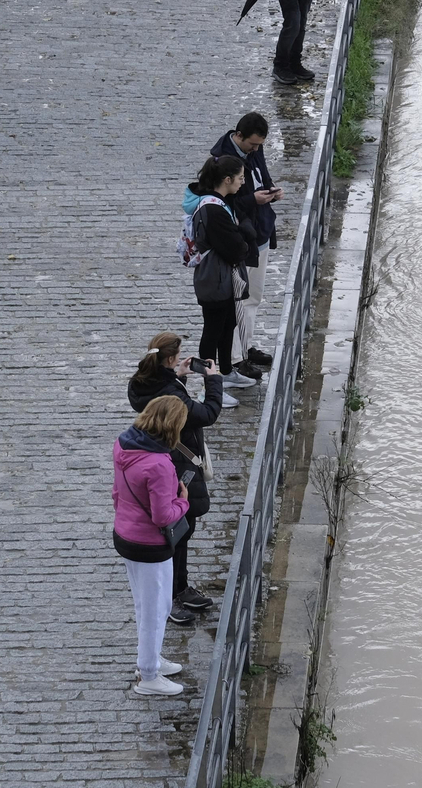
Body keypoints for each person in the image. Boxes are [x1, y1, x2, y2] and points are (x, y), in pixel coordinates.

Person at [129, 332, 224, 626]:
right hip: (177, 466)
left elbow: (165, 392)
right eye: (178, 356)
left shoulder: (142, 383)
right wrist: (213, 379)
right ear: (170, 358)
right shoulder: (171, 394)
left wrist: (177, 376)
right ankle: (170, 597)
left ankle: (180, 588)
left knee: (180, 532)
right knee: (176, 533)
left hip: (167, 459)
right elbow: (207, 413)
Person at [113, 396, 192, 696]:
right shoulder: (159, 464)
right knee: (155, 609)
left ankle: (151, 657)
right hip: (149, 544)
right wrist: (182, 501)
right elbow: (163, 515)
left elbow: (117, 492)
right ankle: (148, 675)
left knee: (148, 604)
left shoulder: (123, 445)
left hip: (126, 535)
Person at [212, 112, 282, 380]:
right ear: (238, 136)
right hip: (242, 240)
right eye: (252, 144)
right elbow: (225, 205)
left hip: (259, 232)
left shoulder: (254, 150)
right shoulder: (222, 162)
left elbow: (260, 179)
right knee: (241, 300)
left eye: (259, 145)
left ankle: (246, 346)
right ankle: (235, 358)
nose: (256, 149)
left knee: (253, 297)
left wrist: (271, 192)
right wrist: (254, 200)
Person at [185, 154, 256, 389]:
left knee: (229, 323)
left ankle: (225, 372)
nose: (242, 182)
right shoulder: (213, 210)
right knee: (213, 331)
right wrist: (245, 235)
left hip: (221, 277)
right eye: (240, 178)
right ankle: (210, 386)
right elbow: (236, 249)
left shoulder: (222, 201)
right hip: (214, 279)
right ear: (227, 179)